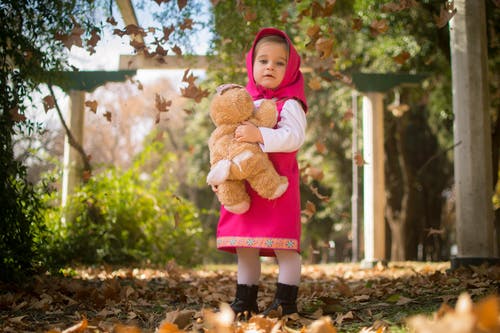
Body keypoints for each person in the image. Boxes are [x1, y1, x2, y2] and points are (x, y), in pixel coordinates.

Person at [213, 27, 308, 319]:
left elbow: (294, 137)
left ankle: (285, 301)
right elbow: (223, 143)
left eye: (280, 62)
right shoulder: (243, 103)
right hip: (245, 185)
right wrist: (220, 175)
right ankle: (245, 299)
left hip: (277, 184)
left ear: (290, 69)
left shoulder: (289, 103)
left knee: (284, 246)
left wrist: (260, 134)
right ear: (251, 66)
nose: (270, 66)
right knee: (245, 245)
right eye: (263, 60)